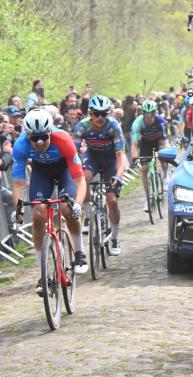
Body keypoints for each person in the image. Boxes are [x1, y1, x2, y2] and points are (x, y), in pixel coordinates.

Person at [11, 109, 88, 295]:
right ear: (27, 136)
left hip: (64, 171)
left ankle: (79, 253)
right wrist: (18, 210)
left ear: (50, 133)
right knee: (38, 214)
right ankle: (43, 273)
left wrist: (77, 203)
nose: (39, 142)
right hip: (41, 172)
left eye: (44, 137)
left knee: (66, 208)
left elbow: (80, 180)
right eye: (34, 138)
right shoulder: (20, 145)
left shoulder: (63, 139)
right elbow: (18, 183)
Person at [73, 95, 126, 255]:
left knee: (112, 201)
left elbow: (121, 156)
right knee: (85, 177)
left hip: (111, 161)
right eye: (97, 113)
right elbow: (74, 153)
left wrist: (119, 174)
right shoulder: (82, 126)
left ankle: (115, 238)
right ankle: (88, 212)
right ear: (90, 113)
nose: (100, 117)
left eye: (104, 113)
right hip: (93, 158)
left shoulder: (114, 126)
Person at [130, 100, 169, 212]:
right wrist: (133, 157)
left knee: (163, 158)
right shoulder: (137, 123)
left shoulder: (161, 122)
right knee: (145, 169)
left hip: (159, 143)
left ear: (155, 113)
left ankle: (165, 176)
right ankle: (148, 198)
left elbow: (165, 141)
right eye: (146, 114)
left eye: (151, 114)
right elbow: (134, 144)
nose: (149, 117)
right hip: (146, 145)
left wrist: (166, 154)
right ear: (143, 113)